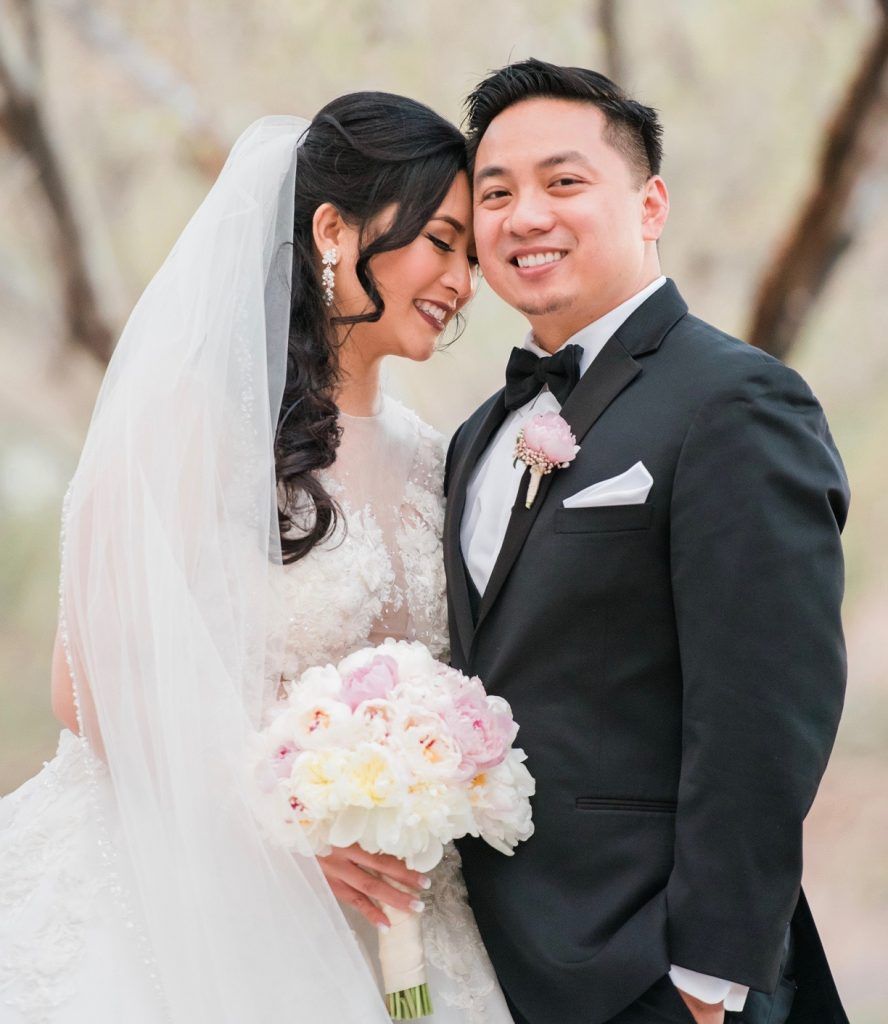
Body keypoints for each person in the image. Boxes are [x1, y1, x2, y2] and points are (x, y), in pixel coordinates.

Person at [0, 95, 514, 1023]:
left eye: (471, 255)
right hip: (195, 882)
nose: (464, 280)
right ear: (333, 230)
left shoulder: (438, 460)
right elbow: (87, 690)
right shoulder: (190, 427)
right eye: (442, 241)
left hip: (404, 911)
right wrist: (278, 826)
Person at [445, 59, 849, 1024]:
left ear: (651, 201)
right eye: (495, 193)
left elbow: (766, 713)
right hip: (487, 960)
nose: (524, 215)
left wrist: (707, 980)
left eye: (563, 181)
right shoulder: (474, 436)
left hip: (652, 970)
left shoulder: (735, 400)